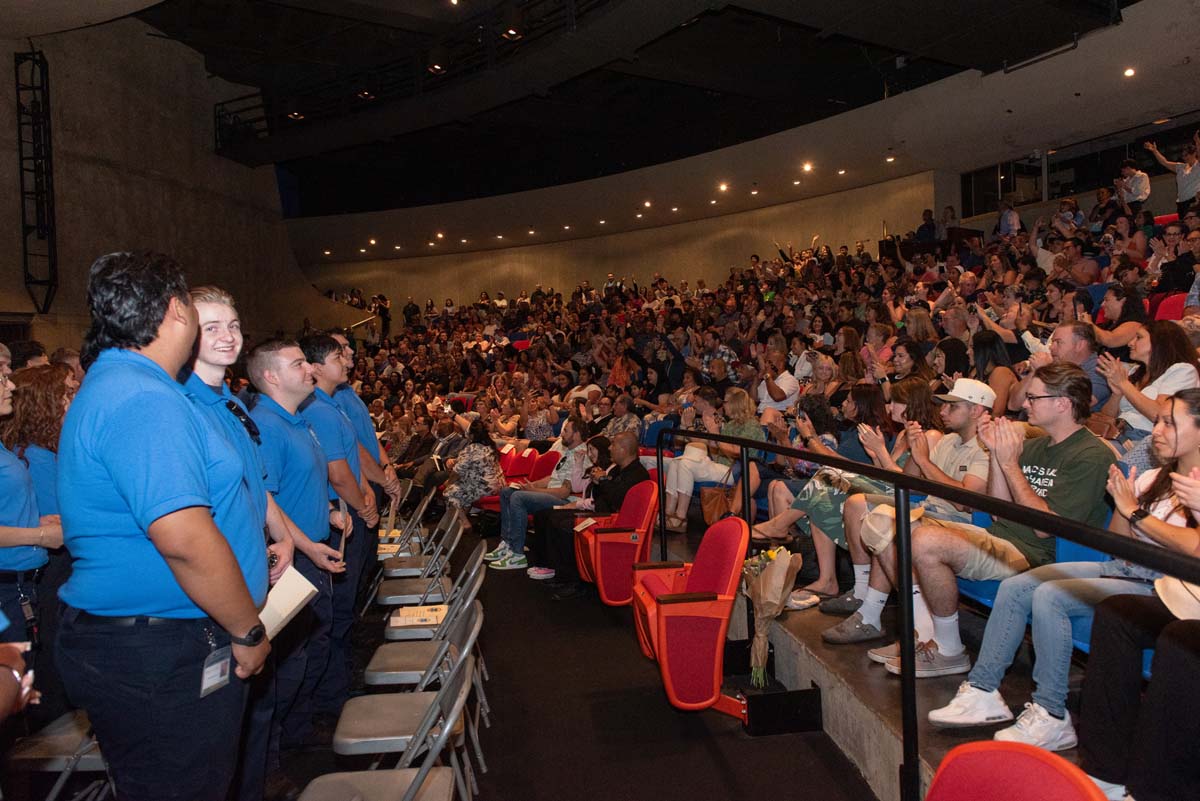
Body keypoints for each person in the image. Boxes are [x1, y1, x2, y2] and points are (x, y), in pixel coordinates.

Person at [56, 252, 269, 801]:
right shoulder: (145, 397)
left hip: (142, 642)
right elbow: (184, 540)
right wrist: (247, 630)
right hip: (158, 650)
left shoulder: (120, 383)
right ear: (178, 310)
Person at [928, 389, 1200, 752]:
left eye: (1169, 423)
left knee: (1051, 596)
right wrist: (1123, 505)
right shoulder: (1152, 480)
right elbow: (1115, 543)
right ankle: (983, 690)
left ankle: (1051, 711)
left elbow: (1192, 549)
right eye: (1157, 422)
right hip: (1125, 566)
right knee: (1019, 587)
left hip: (1166, 586)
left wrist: (1136, 513)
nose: (1157, 431)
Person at [879, 362, 1116, 678]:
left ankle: (949, 649)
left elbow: (1044, 530)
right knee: (888, 523)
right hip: (998, 535)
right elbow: (997, 510)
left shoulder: (1092, 454)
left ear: (1062, 403)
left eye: (1034, 398)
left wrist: (1010, 464)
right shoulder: (1032, 445)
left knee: (923, 540)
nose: (1023, 404)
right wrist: (996, 456)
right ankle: (923, 636)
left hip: (1034, 555)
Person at [820, 378, 992, 645]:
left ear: (976, 411)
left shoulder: (984, 449)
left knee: (889, 522)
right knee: (872, 511)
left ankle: (901, 622)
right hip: (927, 508)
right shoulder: (947, 441)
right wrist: (907, 451)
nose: (942, 412)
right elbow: (907, 481)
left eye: (952, 406)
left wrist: (921, 457)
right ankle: (871, 608)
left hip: (956, 521)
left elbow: (964, 502)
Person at [246, 339, 350, 760]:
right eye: (299, 363)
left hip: (311, 546)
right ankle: (278, 752)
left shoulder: (296, 419)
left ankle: (299, 731)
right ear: (272, 377)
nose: (309, 369)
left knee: (312, 644)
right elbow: (267, 502)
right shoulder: (266, 426)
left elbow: (301, 483)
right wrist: (307, 546)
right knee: (290, 659)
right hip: (291, 558)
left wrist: (326, 512)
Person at [298, 334, 379, 719]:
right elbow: (338, 471)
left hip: (349, 507)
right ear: (315, 367)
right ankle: (333, 696)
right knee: (334, 610)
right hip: (341, 514)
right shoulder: (318, 409)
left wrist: (368, 491)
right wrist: (362, 503)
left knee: (344, 605)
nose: (348, 360)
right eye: (338, 356)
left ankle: (340, 678)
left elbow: (354, 455)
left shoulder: (331, 404)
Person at [0, 364, 75, 726]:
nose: (10, 384)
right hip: (12, 586)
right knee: (16, 696)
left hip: (23, 585)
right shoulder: (32, 456)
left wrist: (36, 525)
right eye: (1, 376)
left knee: (24, 688)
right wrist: (39, 534)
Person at [529, 431, 650, 599]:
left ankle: (573, 582)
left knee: (563, 525)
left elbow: (617, 501)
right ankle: (556, 570)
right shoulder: (620, 470)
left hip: (610, 520)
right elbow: (602, 496)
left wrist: (603, 481)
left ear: (623, 449)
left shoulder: (638, 474)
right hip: (598, 512)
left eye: (613, 444)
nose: (609, 448)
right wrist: (599, 482)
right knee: (547, 515)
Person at [486, 416, 591, 571]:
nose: (562, 434)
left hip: (566, 501)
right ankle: (507, 543)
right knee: (507, 492)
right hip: (551, 494)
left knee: (518, 497)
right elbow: (553, 478)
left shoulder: (580, 456)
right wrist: (531, 484)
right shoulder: (569, 452)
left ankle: (517, 554)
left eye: (566, 431)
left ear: (576, 435)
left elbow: (563, 492)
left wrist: (534, 490)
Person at [1096, 320, 1200, 470]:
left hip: (1144, 439)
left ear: (1160, 342)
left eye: (1138, 337)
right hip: (1115, 433)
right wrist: (1117, 394)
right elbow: (1106, 415)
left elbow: (1158, 414)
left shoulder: (1182, 370)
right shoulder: (1135, 372)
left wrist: (1124, 384)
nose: (1130, 343)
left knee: (1089, 456)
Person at [1008, 321, 1109, 413]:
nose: (1051, 347)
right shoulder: (1056, 362)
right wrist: (1034, 372)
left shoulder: (1099, 370)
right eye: (1052, 342)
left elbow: (1074, 406)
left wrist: (1046, 372)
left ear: (1079, 345)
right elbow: (1013, 405)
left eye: (1058, 342)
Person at [444, 420, 505, 511]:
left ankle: (464, 523)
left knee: (449, 492)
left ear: (471, 435)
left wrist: (448, 483)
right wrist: (456, 460)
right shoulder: (491, 446)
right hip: (499, 485)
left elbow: (456, 472)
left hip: (486, 488)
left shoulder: (471, 449)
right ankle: (466, 514)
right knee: (462, 486)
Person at [1144, 135, 1200, 217]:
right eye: (1183, 156)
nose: (1184, 158)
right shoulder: (1181, 167)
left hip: (1194, 199)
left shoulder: (1198, 165)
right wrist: (1154, 151)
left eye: (1187, 155)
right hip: (1182, 201)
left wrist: (1197, 142)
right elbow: (1165, 162)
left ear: (1194, 154)